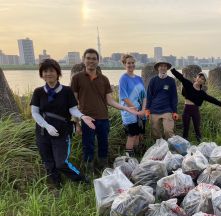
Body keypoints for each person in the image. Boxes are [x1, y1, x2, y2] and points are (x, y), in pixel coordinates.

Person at [71, 48, 142, 174]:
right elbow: (73, 102)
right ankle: (89, 172)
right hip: (87, 119)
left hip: (103, 118)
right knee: (88, 146)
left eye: (94, 59)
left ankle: (104, 169)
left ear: (98, 61)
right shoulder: (77, 78)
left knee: (104, 144)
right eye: (88, 58)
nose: (91, 61)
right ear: (84, 60)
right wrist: (76, 123)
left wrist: (126, 108)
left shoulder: (104, 79)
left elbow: (109, 100)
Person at [30, 59, 95, 188]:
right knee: (48, 162)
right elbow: (35, 113)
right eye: (45, 71)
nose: (48, 74)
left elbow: (73, 109)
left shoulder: (66, 91)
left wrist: (82, 116)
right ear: (41, 74)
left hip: (62, 132)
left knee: (61, 163)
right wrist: (46, 126)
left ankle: (82, 179)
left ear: (57, 72)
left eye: (51, 71)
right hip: (43, 133)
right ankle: (57, 185)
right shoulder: (38, 92)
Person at [170, 68, 221, 142]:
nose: (200, 79)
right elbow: (180, 77)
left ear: (204, 82)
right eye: (199, 77)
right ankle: (185, 147)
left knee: (197, 130)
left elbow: (211, 99)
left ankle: (200, 145)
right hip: (187, 110)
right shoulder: (188, 85)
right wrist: (173, 70)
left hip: (195, 111)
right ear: (196, 78)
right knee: (185, 130)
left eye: (203, 79)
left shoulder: (202, 93)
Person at [118, 54, 147, 157]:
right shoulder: (123, 79)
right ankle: (129, 157)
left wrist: (143, 110)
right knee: (132, 135)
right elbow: (124, 97)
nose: (131, 65)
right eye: (128, 63)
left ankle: (138, 156)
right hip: (129, 112)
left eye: (133, 63)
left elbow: (144, 96)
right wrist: (136, 111)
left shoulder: (139, 79)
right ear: (124, 64)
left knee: (139, 134)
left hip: (141, 111)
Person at [146, 60, 178, 140]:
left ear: (167, 68)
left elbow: (174, 97)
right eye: (161, 66)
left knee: (168, 131)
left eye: (165, 66)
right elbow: (149, 95)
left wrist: (175, 111)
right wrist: (147, 109)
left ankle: (172, 149)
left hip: (167, 110)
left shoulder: (171, 81)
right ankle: (160, 149)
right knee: (155, 133)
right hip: (154, 109)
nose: (163, 68)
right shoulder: (153, 80)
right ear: (158, 68)